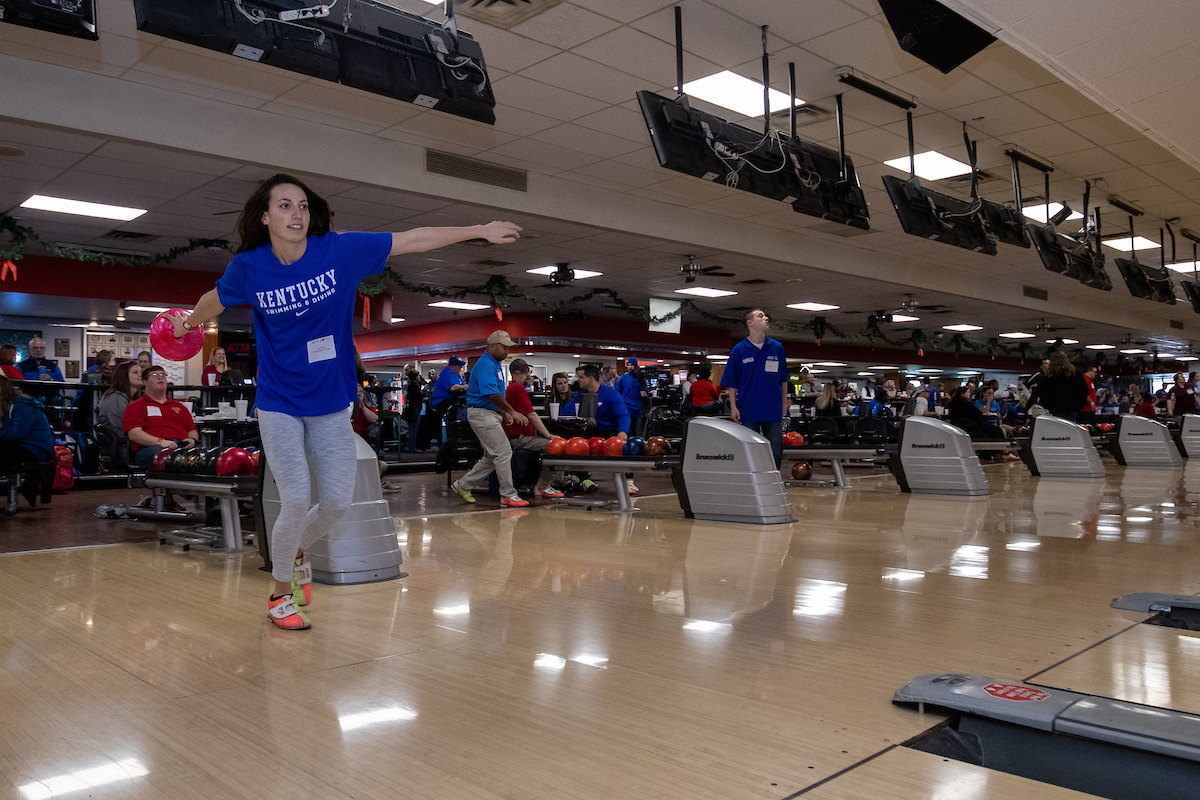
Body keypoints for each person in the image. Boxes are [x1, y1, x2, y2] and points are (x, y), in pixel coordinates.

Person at [171, 172, 522, 630]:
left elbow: (411, 239)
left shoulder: (337, 250)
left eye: (302, 205)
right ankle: (280, 595)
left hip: (332, 402)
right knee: (295, 500)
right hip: (278, 403)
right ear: (264, 217)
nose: (297, 214)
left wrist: (478, 229)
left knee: (336, 503)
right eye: (284, 206)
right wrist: (184, 326)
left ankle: (294, 549)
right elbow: (212, 300)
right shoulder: (250, 267)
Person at [451, 330, 530, 508]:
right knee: (503, 452)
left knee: (492, 456)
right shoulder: (486, 365)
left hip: (486, 413)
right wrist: (512, 411)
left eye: (508, 348)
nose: (507, 351)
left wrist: (503, 413)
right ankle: (508, 495)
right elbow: (492, 395)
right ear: (492, 346)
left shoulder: (493, 364)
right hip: (481, 414)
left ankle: (463, 485)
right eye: (503, 347)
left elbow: (492, 395)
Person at [720, 308, 789, 469]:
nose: (766, 318)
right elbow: (732, 383)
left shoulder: (777, 348)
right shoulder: (739, 350)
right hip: (748, 409)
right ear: (750, 324)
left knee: (775, 451)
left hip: (773, 409)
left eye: (765, 315)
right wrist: (733, 407)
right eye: (761, 316)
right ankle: (753, 483)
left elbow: (783, 380)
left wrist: (784, 404)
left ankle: (774, 480)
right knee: (750, 449)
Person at [502, 358, 564, 499]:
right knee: (557, 447)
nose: (529, 375)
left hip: (521, 437)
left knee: (552, 445)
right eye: (526, 372)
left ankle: (542, 483)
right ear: (516, 374)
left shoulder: (514, 388)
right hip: (520, 439)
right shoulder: (516, 389)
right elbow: (532, 415)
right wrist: (549, 436)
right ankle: (543, 486)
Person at [122, 365, 199, 470]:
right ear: (145, 383)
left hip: (181, 446)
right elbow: (134, 434)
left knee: (208, 457)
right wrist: (160, 441)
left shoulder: (179, 406)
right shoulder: (136, 406)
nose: (160, 377)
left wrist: (192, 440)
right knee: (166, 457)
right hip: (152, 447)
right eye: (154, 375)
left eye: (163, 375)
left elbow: (191, 428)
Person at [0, 376, 54, 506]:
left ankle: (12, 500)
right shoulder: (12, 404)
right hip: (26, 445)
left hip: (35, 447)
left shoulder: (21, 404)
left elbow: (17, 434)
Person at [97, 361, 144, 453]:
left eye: (141, 372)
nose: (140, 375)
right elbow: (122, 430)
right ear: (124, 376)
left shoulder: (131, 398)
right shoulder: (115, 398)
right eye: (135, 372)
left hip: (130, 445)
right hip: (123, 449)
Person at [1028, 351, 1089, 421]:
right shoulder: (1075, 372)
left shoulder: (1050, 374)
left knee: (1059, 425)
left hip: (1056, 406)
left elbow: (1038, 391)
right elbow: (1084, 389)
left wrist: (1028, 406)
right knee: (1069, 425)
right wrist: (1081, 404)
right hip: (1073, 406)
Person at [616, 355, 647, 438]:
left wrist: (644, 394)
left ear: (635, 366)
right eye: (628, 365)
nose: (630, 367)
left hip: (637, 408)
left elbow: (645, 391)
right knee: (627, 431)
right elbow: (617, 391)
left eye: (631, 365)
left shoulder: (641, 378)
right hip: (626, 408)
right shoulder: (623, 378)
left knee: (638, 431)